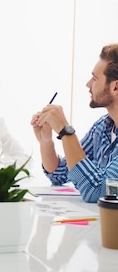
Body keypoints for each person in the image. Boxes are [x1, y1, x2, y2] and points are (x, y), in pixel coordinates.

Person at [31, 44, 118, 203]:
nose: (88, 84)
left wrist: (65, 131)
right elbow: (61, 173)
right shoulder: (103, 127)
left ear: (116, 87)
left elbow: (98, 192)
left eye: (95, 78)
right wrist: (46, 141)